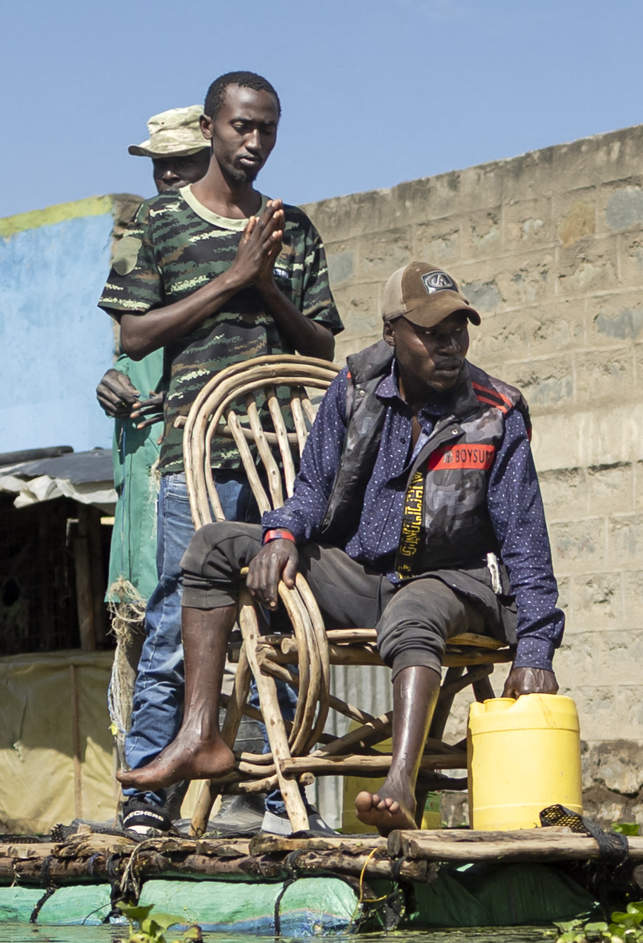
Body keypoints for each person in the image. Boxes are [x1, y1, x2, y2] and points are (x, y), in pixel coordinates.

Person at [122, 263, 560, 831]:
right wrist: (281, 536)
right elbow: (310, 491)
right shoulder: (353, 388)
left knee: (414, 613)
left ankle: (399, 784)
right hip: (360, 574)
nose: (449, 346)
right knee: (212, 546)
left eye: (459, 331)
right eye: (432, 334)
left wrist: (535, 652)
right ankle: (202, 735)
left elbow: (528, 543)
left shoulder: (495, 412)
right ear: (392, 334)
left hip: (457, 584)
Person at [100, 72, 341, 833]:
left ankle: (281, 794)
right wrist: (231, 279)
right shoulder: (159, 224)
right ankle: (147, 795)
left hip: (278, 461)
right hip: (189, 461)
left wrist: (266, 287)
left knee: (287, 622)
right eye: (241, 127)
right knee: (176, 618)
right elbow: (134, 335)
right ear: (210, 127)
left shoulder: (290, 229)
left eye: (267, 129)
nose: (255, 142)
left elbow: (322, 345)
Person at [99, 107, 212, 758]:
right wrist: (111, 385)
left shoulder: (237, 243)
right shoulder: (140, 243)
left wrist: (186, 396)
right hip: (143, 472)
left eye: (182, 162)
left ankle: (224, 793)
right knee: (143, 636)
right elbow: (130, 352)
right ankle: (141, 791)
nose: (167, 175)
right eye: (158, 164)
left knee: (200, 624)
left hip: (203, 465)